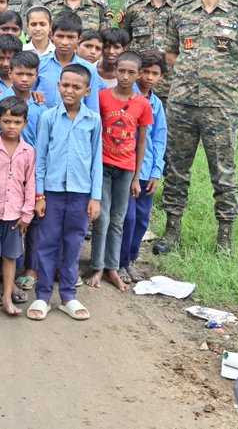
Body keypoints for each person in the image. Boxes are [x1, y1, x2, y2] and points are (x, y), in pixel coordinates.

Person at [154, 0, 238, 255]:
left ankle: (224, 239)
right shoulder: (180, 11)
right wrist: (189, 79)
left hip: (220, 108)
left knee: (223, 171)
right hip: (182, 104)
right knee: (176, 168)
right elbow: (170, 53)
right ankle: (172, 229)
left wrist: (230, 83)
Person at [27, 64, 102, 322]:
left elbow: (96, 161)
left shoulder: (93, 120)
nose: (69, 90)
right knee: (46, 243)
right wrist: (39, 195)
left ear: (86, 90)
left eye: (76, 87)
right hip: (52, 191)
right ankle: (43, 296)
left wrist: (95, 197)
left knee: (73, 244)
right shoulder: (48, 117)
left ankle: (68, 296)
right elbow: (41, 158)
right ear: (58, 85)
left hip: (81, 194)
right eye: (65, 85)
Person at [85, 49, 151, 292]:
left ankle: (113, 267)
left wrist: (136, 177)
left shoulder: (142, 104)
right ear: (115, 71)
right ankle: (97, 265)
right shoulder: (101, 97)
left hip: (125, 168)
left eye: (131, 72)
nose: (125, 76)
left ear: (139, 74)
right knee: (101, 216)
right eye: (121, 71)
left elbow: (141, 140)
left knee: (118, 219)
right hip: (102, 164)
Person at [0, 95, 35, 317]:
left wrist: (27, 213)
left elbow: (30, 182)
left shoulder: (27, 151)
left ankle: (6, 299)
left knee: (10, 257)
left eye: (17, 122)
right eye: (7, 121)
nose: (12, 127)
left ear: (25, 123)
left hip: (14, 213)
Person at [120, 49, 167, 282]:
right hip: (125, 166)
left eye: (155, 73)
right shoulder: (127, 97)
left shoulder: (156, 104)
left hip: (147, 170)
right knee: (125, 217)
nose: (149, 77)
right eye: (145, 72)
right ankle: (119, 261)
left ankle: (131, 259)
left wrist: (156, 172)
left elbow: (159, 139)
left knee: (141, 219)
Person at [119, 0, 180, 99]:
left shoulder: (181, 9)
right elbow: (122, 43)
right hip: (137, 84)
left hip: (171, 85)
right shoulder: (132, 8)